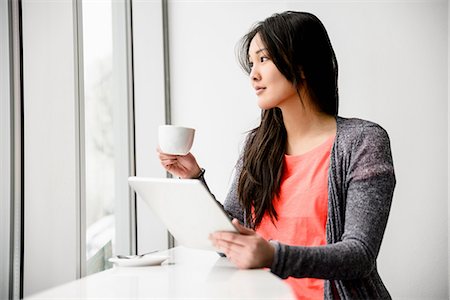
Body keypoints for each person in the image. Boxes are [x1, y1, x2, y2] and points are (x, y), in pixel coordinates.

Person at [158, 11, 396, 300]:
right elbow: (230, 238)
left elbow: (359, 254)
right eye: (251, 63)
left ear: (302, 65)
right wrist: (193, 179)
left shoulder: (363, 142)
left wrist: (272, 255)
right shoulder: (258, 147)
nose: (253, 75)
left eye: (264, 59)